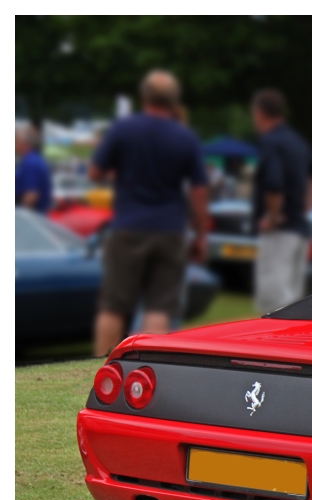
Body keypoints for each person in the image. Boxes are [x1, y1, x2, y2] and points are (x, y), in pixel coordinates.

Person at [88, 69, 209, 357]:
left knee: (114, 304)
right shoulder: (185, 137)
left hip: (129, 225)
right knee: (159, 307)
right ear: (173, 100)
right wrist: (201, 233)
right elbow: (199, 191)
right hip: (169, 228)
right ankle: (147, 369)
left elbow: (95, 172)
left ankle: (101, 366)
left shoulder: (123, 129)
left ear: (144, 97)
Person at [250, 88, 312, 313]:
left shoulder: (269, 142)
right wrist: (306, 206)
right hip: (299, 229)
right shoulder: (296, 141)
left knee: (273, 301)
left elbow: (274, 183)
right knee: (293, 303)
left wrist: (273, 217)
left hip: (279, 231)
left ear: (260, 113)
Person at [15, 125, 52, 213]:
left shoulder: (30, 162)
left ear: (24, 143)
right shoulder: (34, 159)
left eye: (16, 140)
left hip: (29, 218)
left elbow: (31, 195)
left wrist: (18, 219)